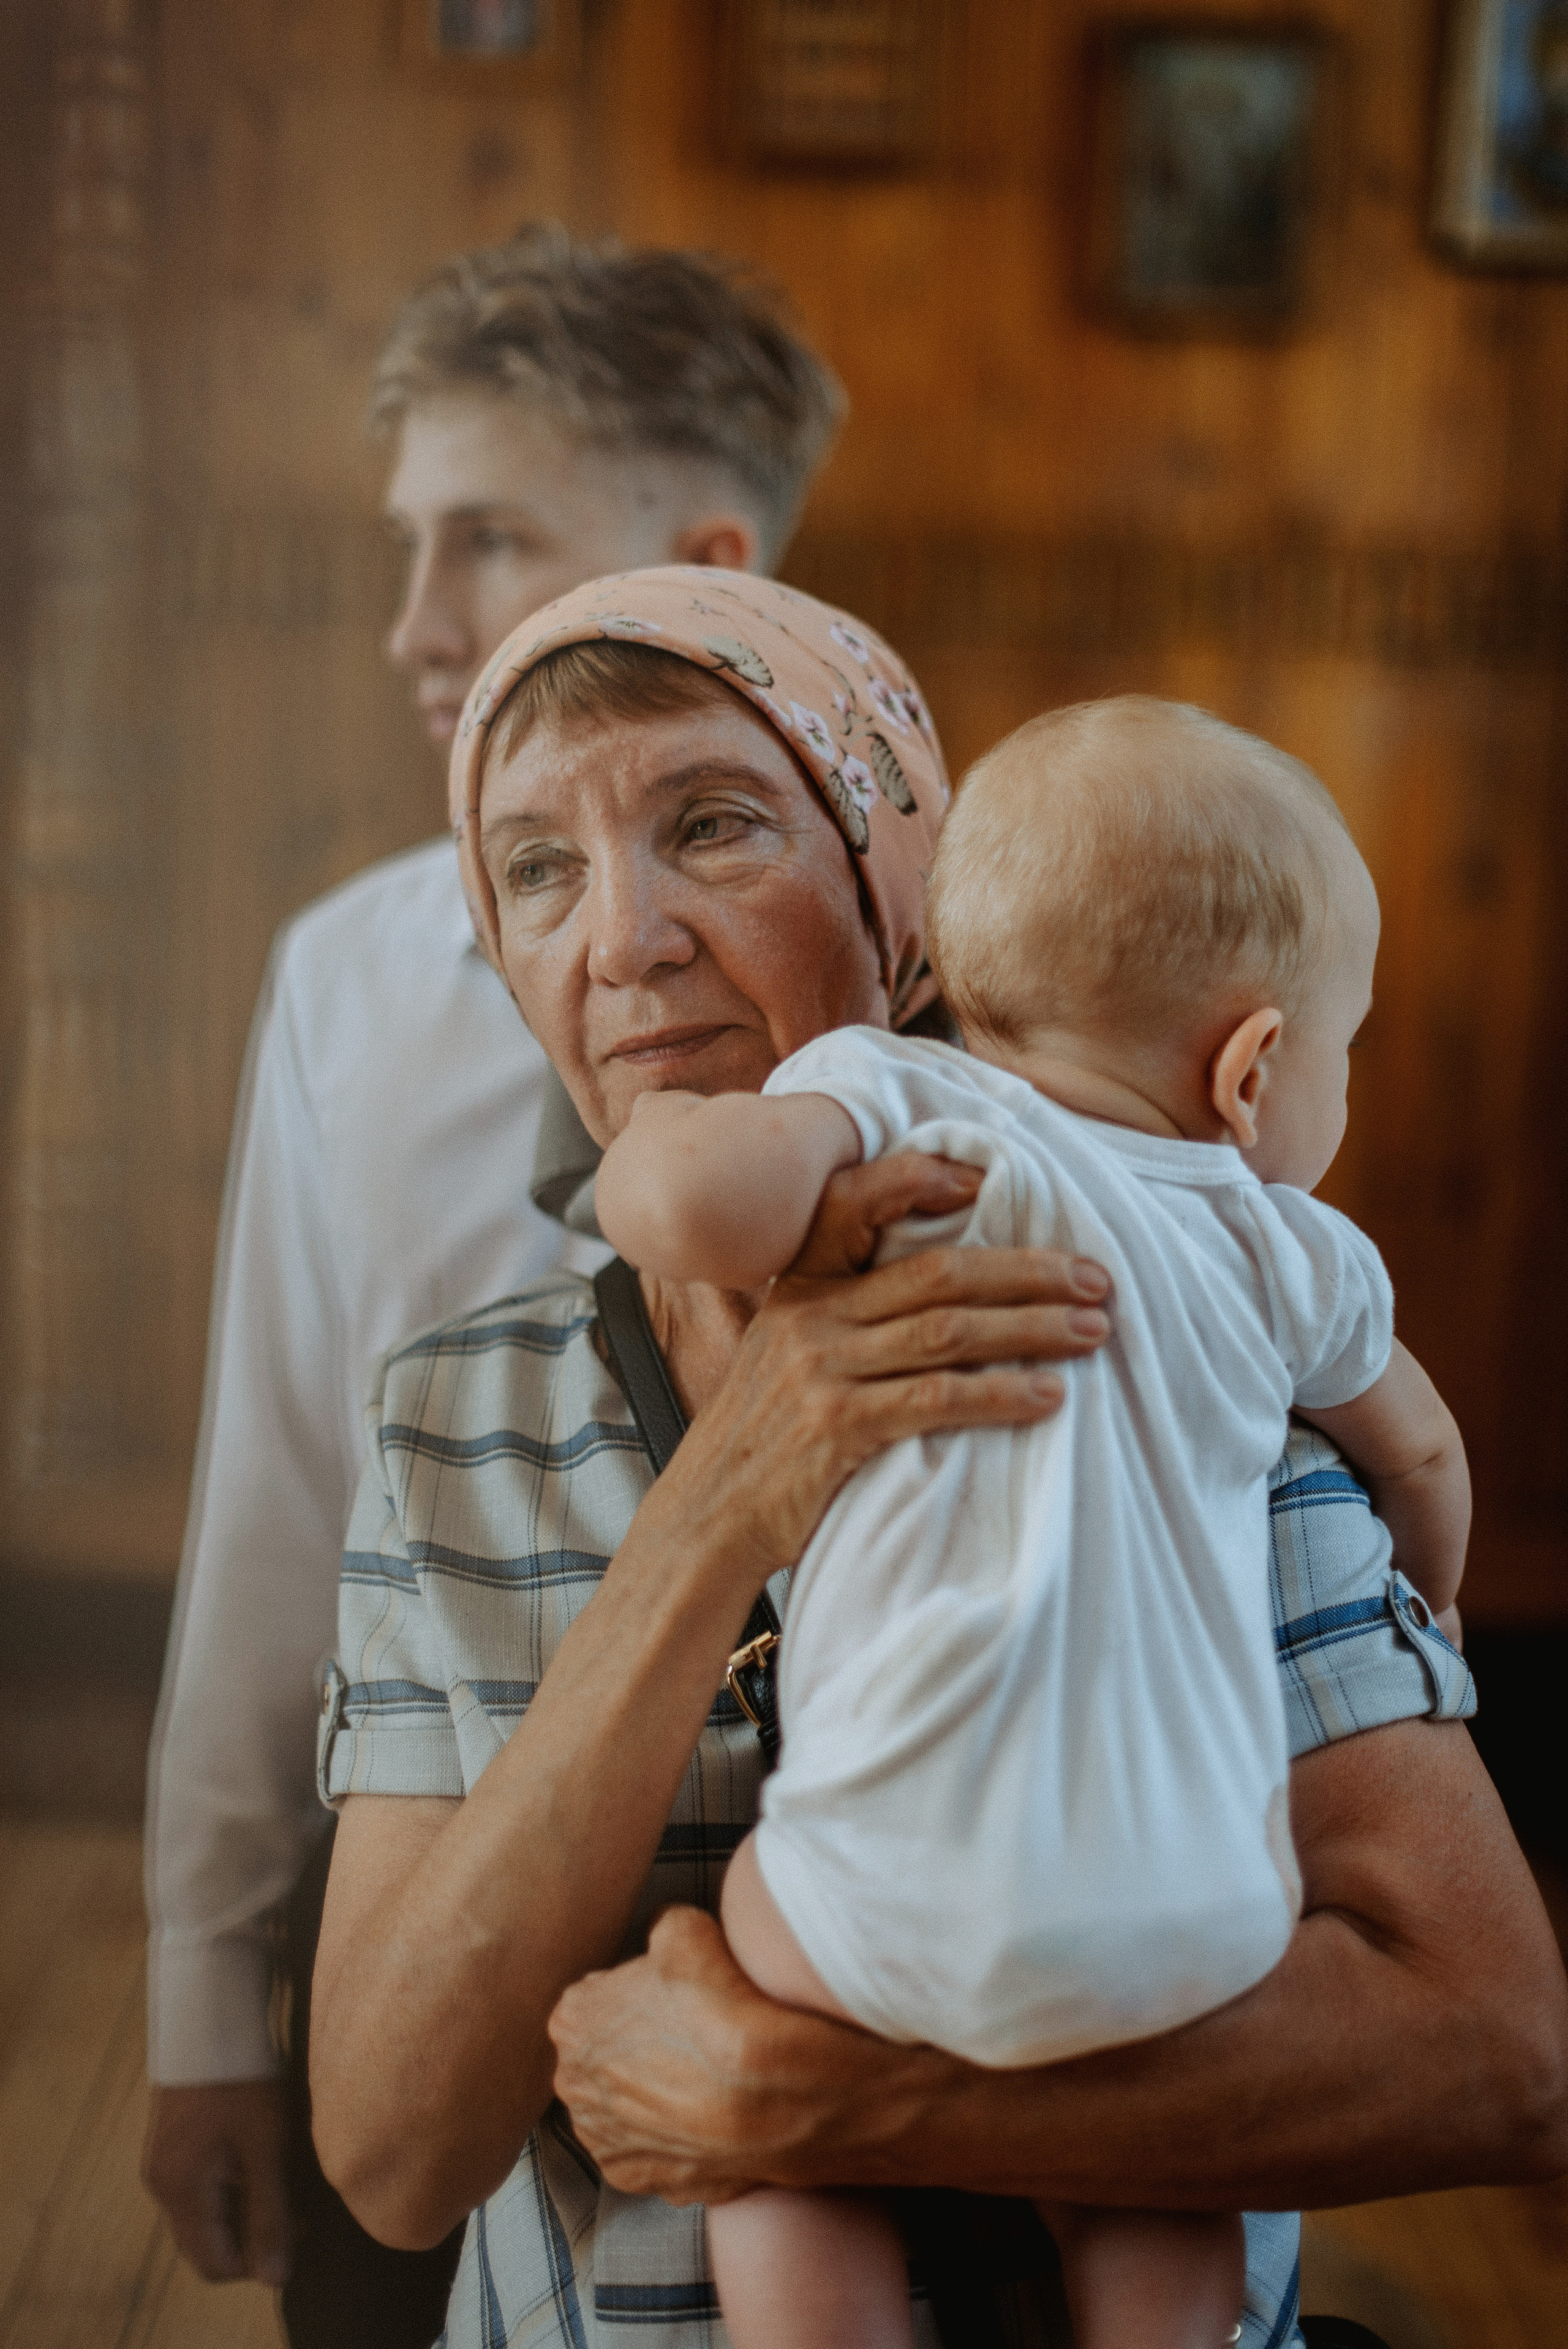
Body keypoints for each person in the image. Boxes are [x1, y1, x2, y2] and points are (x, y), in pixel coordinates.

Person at [309, 567, 1568, 2349]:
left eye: (715, 824)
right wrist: (726, 1502)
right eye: (537, 869)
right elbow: (390, 2155)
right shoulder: (461, 1420)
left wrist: (810, 2102)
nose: (624, 939)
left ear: (906, 908)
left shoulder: (1151, 1329)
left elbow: (1503, 2061)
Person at [140, 227, 845, 2348]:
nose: (413, 622)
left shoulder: (976, 957)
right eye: (406, 541)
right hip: (416, 1909)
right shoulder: (352, 978)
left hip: (842, 1917)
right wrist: (202, 1983)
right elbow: (273, 1491)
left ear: (706, 553)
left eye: (489, 539)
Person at [593, 695, 1470, 2349]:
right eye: (1344, 1048)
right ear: (1255, 1065)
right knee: (1164, 2180)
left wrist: (667, 1147)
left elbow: (693, 1208)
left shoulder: (904, 1106)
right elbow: (1421, 1454)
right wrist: (1432, 1597)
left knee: (778, 2143)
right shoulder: (1290, 1252)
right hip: (1188, 1918)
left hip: (888, 1896)